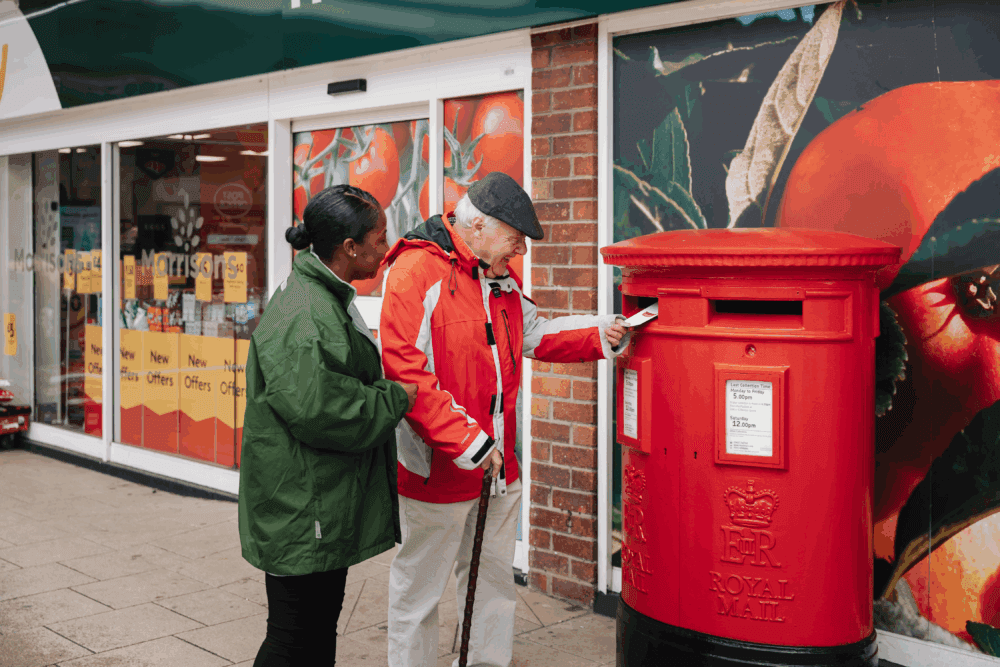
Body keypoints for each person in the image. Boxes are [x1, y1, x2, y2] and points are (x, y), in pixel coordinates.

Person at [380, 172, 629, 667]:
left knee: (493, 582)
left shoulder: (499, 276)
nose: (522, 251)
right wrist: (471, 443)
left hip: (498, 470)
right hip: (440, 472)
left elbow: (533, 334)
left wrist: (603, 332)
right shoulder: (414, 273)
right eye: (516, 238)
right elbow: (405, 373)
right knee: (419, 593)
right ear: (479, 228)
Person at [238, 184, 418, 666]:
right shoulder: (307, 313)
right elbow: (324, 411)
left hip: (313, 496)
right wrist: (396, 396)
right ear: (349, 248)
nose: (386, 247)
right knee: (294, 636)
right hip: (302, 502)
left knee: (315, 630)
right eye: (379, 239)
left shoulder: (321, 294)